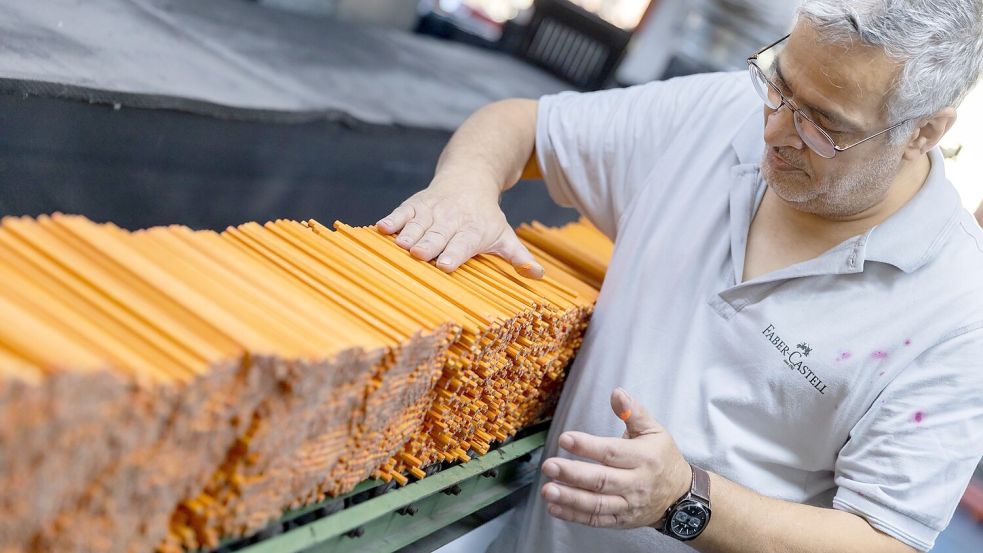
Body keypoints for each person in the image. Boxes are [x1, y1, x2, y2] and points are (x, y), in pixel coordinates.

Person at [376, 1, 983, 551]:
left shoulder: (957, 310)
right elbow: (520, 125)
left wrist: (685, 501)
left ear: (925, 131)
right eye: (778, 83)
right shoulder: (717, 115)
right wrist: (464, 189)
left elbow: (884, 542)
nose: (773, 130)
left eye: (823, 125)